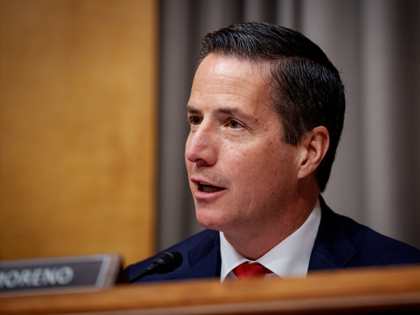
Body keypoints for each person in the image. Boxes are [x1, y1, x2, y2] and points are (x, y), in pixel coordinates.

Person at [125, 22, 420, 283]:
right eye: (195, 120)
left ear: (308, 152)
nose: (195, 151)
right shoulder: (144, 286)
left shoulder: (401, 280)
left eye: (233, 124)